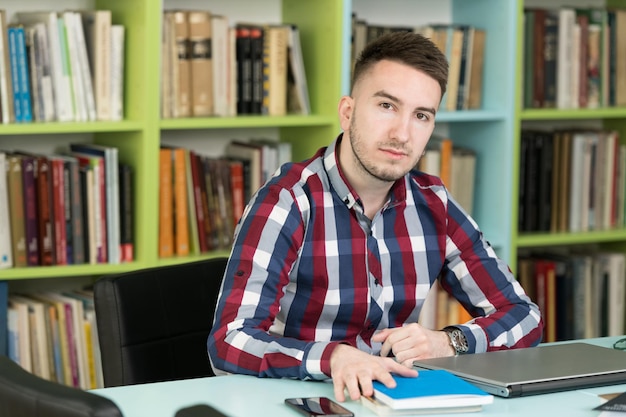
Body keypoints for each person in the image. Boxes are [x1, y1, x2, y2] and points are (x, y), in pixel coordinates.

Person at [207, 31, 543, 403]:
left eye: (421, 115)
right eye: (386, 106)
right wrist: (333, 357)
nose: (402, 133)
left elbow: (523, 315)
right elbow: (229, 341)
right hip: (301, 401)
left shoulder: (434, 203)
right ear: (348, 111)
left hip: (392, 401)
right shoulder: (288, 200)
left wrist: (449, 340)